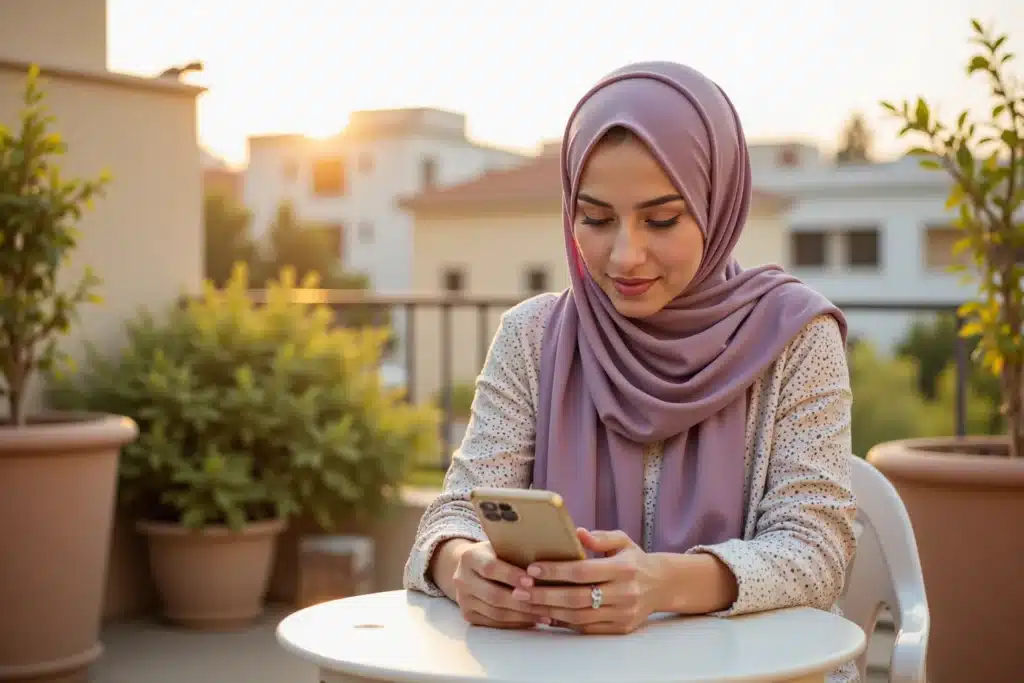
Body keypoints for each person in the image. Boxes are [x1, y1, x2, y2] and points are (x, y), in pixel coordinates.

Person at [404, 61, 858, 683]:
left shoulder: (795, 338)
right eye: (594, 218)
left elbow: (818, 551)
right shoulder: (533, 337)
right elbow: (451, 516)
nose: (624, 255)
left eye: (662, 219)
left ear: (716, 203)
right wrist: (462, 567)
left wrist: (661, 583)